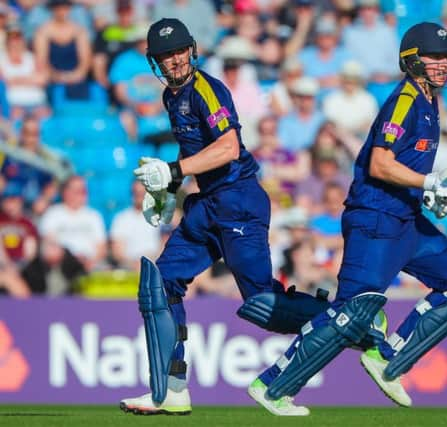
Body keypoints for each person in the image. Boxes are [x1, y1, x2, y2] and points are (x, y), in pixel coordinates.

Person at [249, 22, 447, 415]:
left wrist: (434, 193)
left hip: (407, 219)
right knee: (351, 312)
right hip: (375, 219)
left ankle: (388, 358)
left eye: (445, 58)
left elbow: (407, 166)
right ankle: (272, 386)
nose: (442, 65)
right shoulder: (403, 100)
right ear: (411, 60)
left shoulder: (432, 102)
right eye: (434, 58)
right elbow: (381, 163)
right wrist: (430, 182)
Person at [119, 18, 337, 416]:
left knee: (262, 304)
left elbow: (228, 148)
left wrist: (173, 171)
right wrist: (167, 190)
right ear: (155, 62)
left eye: (180, 51)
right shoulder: (172, 97)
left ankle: (351, 322)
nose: (175, 60)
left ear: (193, 50)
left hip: (239, 201)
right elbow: (197, 157)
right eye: (166, 55)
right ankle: (171, 389)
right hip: (208, 204)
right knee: (160, 283)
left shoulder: (206, 89)